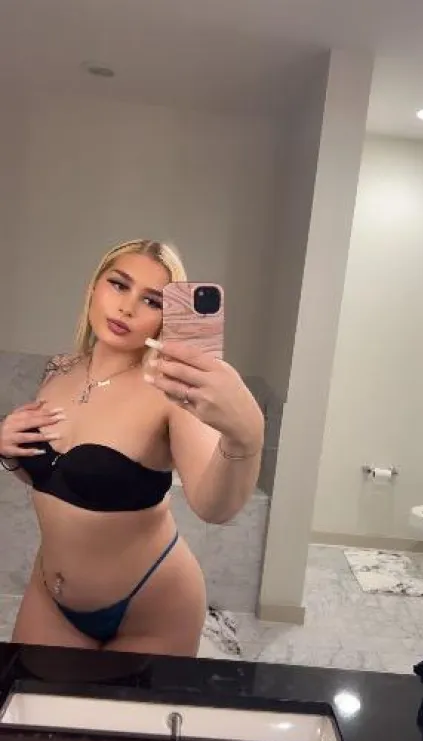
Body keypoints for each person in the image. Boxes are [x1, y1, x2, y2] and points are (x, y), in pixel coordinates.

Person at [0, 239, 264, 656]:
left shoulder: (169, 391)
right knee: (27, 699)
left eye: (152, 300)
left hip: (152, 606)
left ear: (168, 316)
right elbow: (54, 482)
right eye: (119, 285)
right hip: (50, 597)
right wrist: (7, 448)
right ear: (94, 286)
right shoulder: (59, 370)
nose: (127, 308)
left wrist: (246, 435)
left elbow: (215, 507)